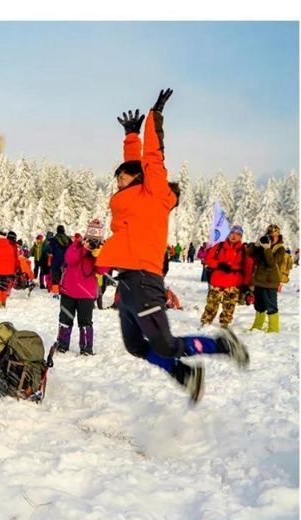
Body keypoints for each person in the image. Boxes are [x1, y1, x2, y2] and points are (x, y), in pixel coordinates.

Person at [95, 88, 249, 404]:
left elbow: (149, 160)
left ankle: (223, 346)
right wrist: (130, 136)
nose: (117, 182)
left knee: (165, 345)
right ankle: (187, 375)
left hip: (143, 278)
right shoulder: (134, 195)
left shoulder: (152, 193)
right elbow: (134, 165)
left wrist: (154, 117)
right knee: (136, 346)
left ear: (136, 179)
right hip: (126, 281)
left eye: (120, 178)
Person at [56, 219, 108, 355]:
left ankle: (86, 348)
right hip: (69, 290)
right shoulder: (77, 245)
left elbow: (102, 270)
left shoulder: (101, 250)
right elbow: (69, 259)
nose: (92, 242)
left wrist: (98, 255)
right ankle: (62, 344)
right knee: (65, 319)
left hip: (86, 294)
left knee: (85, 322)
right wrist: (84, 249)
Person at [200, 225, 247, 329]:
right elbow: (208, 259)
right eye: (232, 233)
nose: (234, 236)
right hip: (217, 281)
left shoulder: (243, 250)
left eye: (237, 234)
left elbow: (246, 266)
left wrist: (245, 282)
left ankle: (225, 324)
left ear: (241, 237)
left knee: (229, 307)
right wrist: (219, 265)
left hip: (233, 283)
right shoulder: (219, 246)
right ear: (229, 234)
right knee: (211, 304)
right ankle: (206, 322)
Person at [246, 223, 286, 333]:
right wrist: (256, 244)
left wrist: (268, 249)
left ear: (278, 236)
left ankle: (273, 328)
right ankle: (257, 325)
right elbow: (249, 254)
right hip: (259, 281)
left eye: (274, 235)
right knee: (259, 305)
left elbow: (272, 264)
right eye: (270, 234)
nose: (272, 237)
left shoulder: (280, 249)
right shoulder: (262, 246)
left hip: (270, 281)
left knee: (271, 306)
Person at [47, 225, 71, 297]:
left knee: (55, 278)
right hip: (66, 262)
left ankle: (56, 293)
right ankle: (65, 292)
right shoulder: (69, 240)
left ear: (57, 230)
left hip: (56, 262)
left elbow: (49, 251)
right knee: (65, 278)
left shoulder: (53, 240)